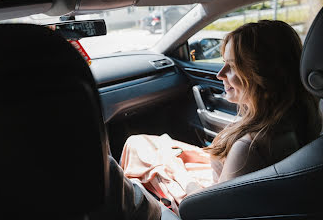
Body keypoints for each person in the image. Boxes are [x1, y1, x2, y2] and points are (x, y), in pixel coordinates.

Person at [120, 20, 322, 210]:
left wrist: (179, 173)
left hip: (202, 203)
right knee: (142, 143)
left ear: (263, 75)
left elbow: (210, 209)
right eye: (223, 62)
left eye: (232, 66)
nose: (220, 74)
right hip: (229, 185)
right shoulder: (305, 114)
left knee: (139, 150)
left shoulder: (250, 147)